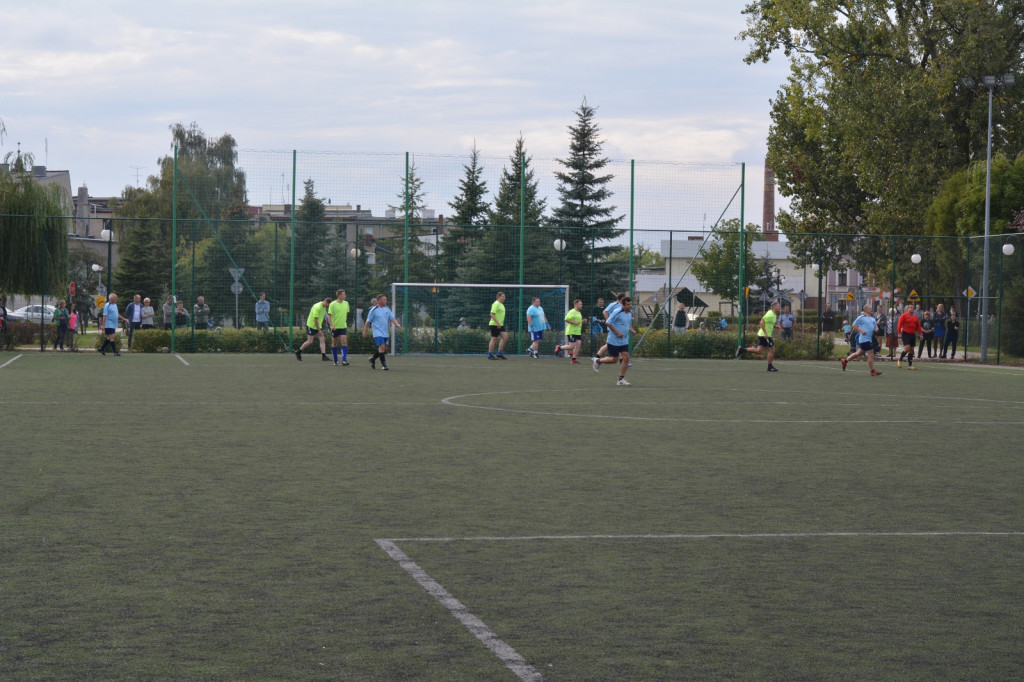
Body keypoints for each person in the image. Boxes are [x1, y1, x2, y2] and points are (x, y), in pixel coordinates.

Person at [593, 296, 636, 385]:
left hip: (624, 340)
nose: (629, 306)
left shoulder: (630, 313)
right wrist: (617, 332)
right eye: (627, 305)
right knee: (614, 360)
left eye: (630, 304)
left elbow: (627, 323)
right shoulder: (617, 311)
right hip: (614, 340)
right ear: (623, 305)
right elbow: (608, 322)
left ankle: (621, 380)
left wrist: (631, 330)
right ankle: (598, 361)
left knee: (626, 357)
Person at [736, 300, 781, 371]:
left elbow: (768, 323)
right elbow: (761, 322)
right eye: (778, 306)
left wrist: (775, 326)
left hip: (763, 335)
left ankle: (742, 349)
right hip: (765, 335)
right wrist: (765, 333)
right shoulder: (770, 314)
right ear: (774, 307)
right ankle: (769, 367)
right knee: (772, 350)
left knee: (759, 350)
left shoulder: (774, 315)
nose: (780, 307)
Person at [841, 304, 883, 376]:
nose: (871, 309)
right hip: (864, 339)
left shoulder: (873, 319)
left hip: (869, 339)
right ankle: (872, 371)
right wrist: (861, 331)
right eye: (870, 308)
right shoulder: (861, 317)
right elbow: (853, 325)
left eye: (871, 308)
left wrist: (876, 329)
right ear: (866, 310)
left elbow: (876, 328)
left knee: (859, 353)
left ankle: (845, 361)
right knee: (871, 352)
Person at [363, 293, 401, 370]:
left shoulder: (387, 309)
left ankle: (373, 359)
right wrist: (365, 331)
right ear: (379, 301)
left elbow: (392, 318)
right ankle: (384, 365)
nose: (386, 300)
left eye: (386, 299)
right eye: (384, 299)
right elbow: (368, 322)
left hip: (385, 332)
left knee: (384, 348)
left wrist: (397, 323)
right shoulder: (373, 310)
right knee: (382, 346)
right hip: (377, 332)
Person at [295, 296, 332, 362]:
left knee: (322, 339)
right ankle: (298, 352)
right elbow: (315, 319)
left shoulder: (324, 307)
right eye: (328, 305)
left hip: (318, 326)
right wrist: (319, 330)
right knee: (310, 341)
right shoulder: (317, 307)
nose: (328, 307)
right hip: (311, 326)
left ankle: (324, 356)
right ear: (326, 302)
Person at [556, 299, 585, 363]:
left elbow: (578, 322)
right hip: (571, 331)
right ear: (576, 305)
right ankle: (560, 347)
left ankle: (573, 359)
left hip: (577, 332)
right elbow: (566, 319)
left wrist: (583, 321)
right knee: (572, 346)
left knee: (578, 344)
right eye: (580, 304)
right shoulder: (572, 311)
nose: (581, 305)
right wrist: (574, 322)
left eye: (581, 304)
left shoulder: (579, 312)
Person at [328, 288, 351, 366]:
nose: (345, 295)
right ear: (339, 295)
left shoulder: (346, 303)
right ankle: (335, 360)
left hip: (343, 327)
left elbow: (346, 314)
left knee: (344, 342)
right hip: (335, 327)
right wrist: (331, 325)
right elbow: (329, 315)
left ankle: (344, 360)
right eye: (344, 294)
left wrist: (345, 323)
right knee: (334, 343)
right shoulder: (332, 304)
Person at [896, 303, 922, 369]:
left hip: (912, 334)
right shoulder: (904, 315)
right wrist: (899, 333)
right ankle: (900, 359)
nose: (912, 308)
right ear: (907, 309)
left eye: (913, 307)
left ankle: (910, 365)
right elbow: (899, 324)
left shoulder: (915, 316)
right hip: (905, 333)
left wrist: (921, 334)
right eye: (910, 307)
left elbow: (918, 326)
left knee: (911, 350)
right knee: (907, 348)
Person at [487, 291, 508, 360]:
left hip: (500, 325)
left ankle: (499, 353)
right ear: (498, 297)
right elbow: (492, 314)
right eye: (503, 296)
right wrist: (497, 323)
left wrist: (499, 324)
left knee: (505, 337)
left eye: (504, 296)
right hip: (494, 324)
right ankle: (490, 355)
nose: (504, 298)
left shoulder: (501, 304)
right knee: (494, 339)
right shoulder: (496, 304)